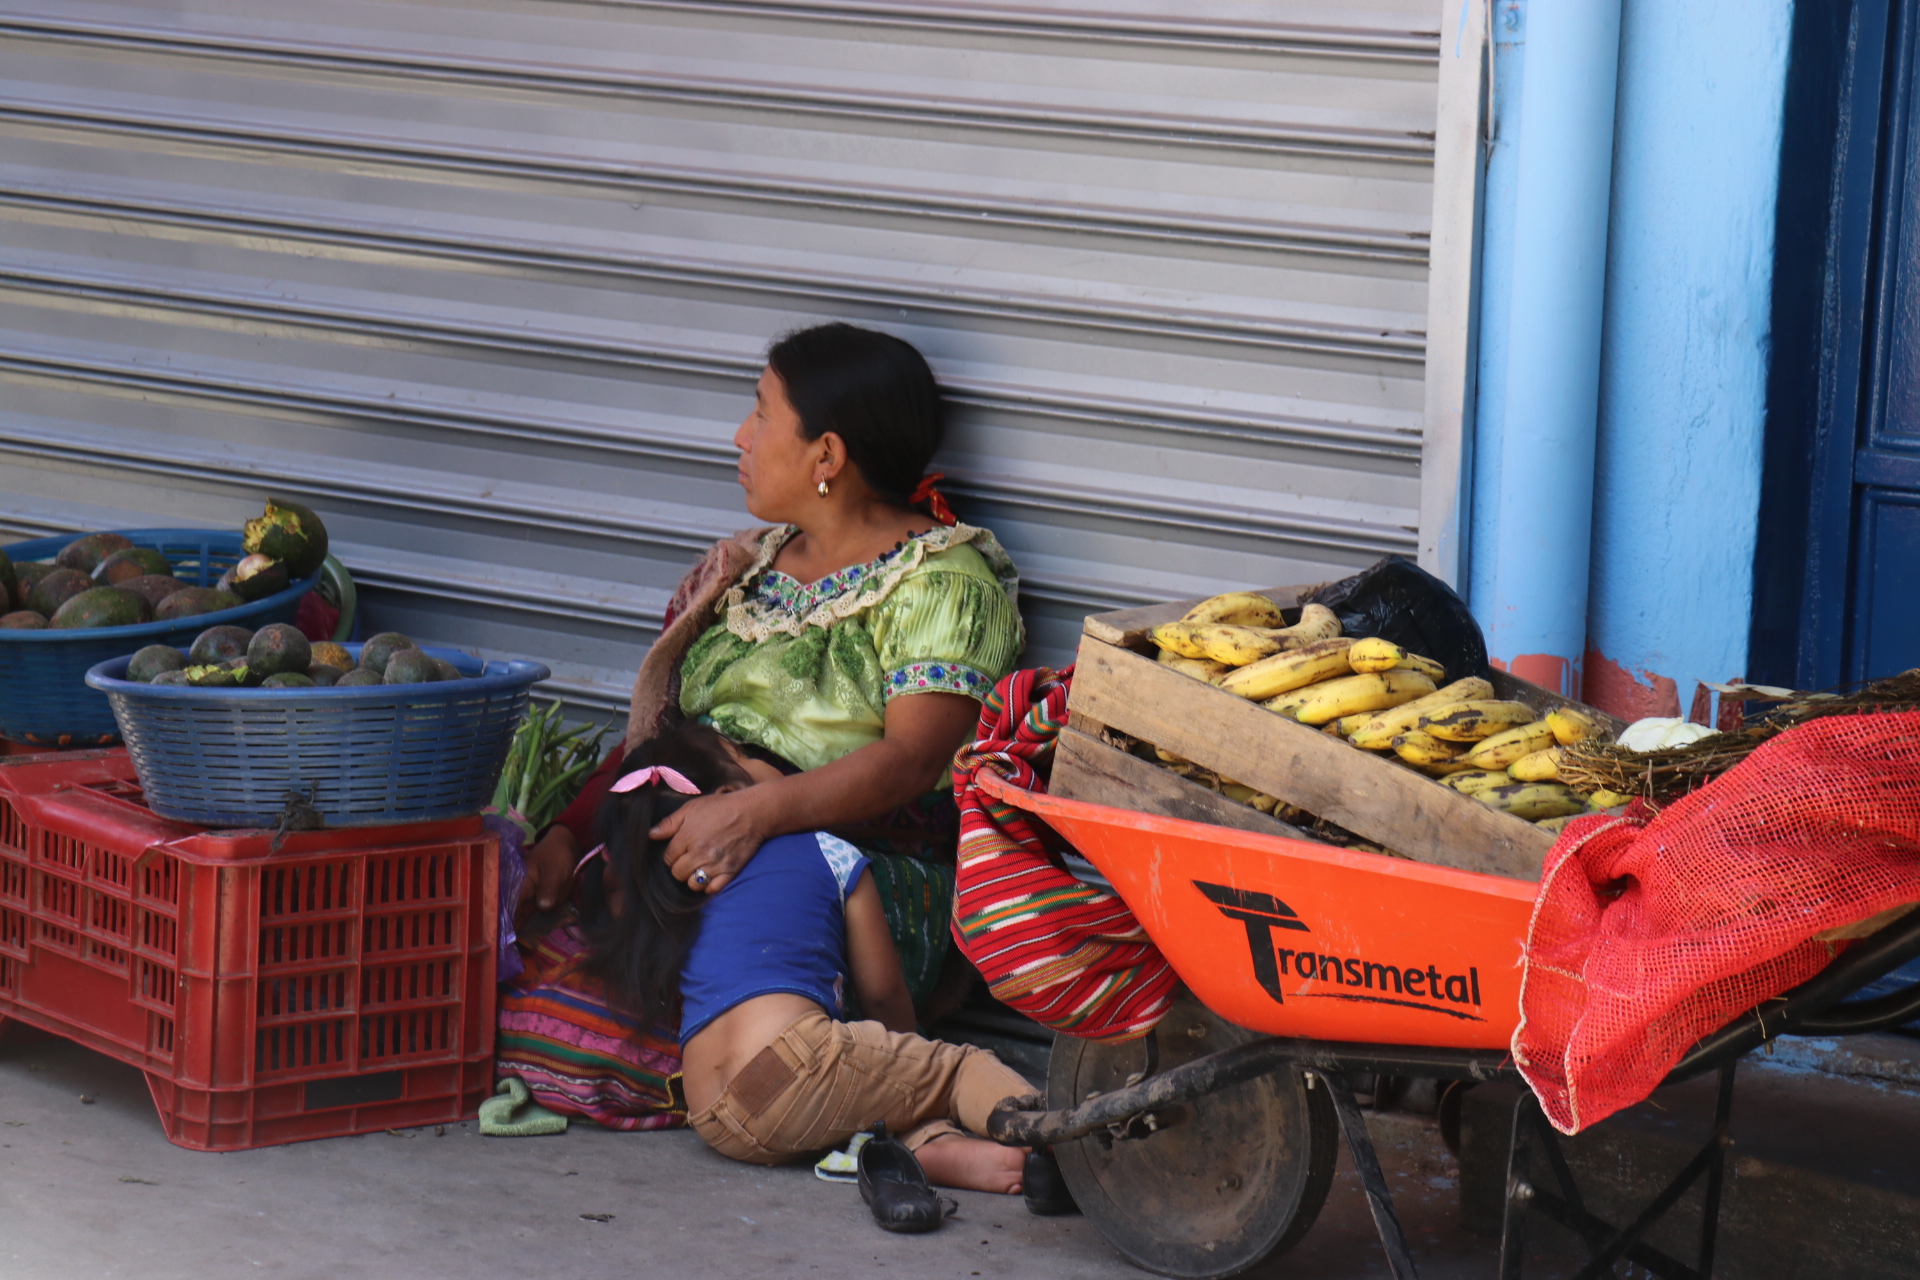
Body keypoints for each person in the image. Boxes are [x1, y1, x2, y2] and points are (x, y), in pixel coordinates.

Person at [517, 322, 1024, 1015]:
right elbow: (662, 737)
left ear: (827, 454)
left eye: (760, 412)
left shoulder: (941, 584)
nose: (740, 436)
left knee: (671, 1009)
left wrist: (756, 815)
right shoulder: (745, 570)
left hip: (846, 876)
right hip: (699, 843)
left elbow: (912, 761)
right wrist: (569, 832)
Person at [581, 722, 1035, 1193]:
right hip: (791, 1071)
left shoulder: (688, 889)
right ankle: (1071, 1142)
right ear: (729, 795)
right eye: (746, 756)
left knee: (892, 1084)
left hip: (710, 1110)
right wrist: (916, 1053)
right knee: (958, 1070)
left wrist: (906, 1072)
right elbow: (881, 994)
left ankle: (937, 1149)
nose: (773, 765)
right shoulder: (829, 850)